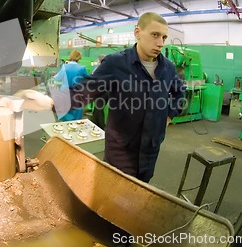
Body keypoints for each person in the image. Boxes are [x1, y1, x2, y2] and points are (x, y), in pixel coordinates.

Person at [17, 12, 185, 183]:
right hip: (121, 151)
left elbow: (180, 92)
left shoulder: (168, 68)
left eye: (164, 37)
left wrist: (170, 114)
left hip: (151, 148)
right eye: (155, 35)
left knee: (140, 191)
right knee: (114, 190)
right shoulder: (116, 64)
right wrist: (52, 101)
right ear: (137, 33)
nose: (160, 43)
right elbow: (87, 89)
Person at [53, 49, 88, 121]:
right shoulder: (82, 68)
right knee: (76, 117)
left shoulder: (64, 67)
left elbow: (57, 79)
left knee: (65, 115)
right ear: (79, 57)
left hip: (64, 92)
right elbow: (87, 81)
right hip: (77, 94)